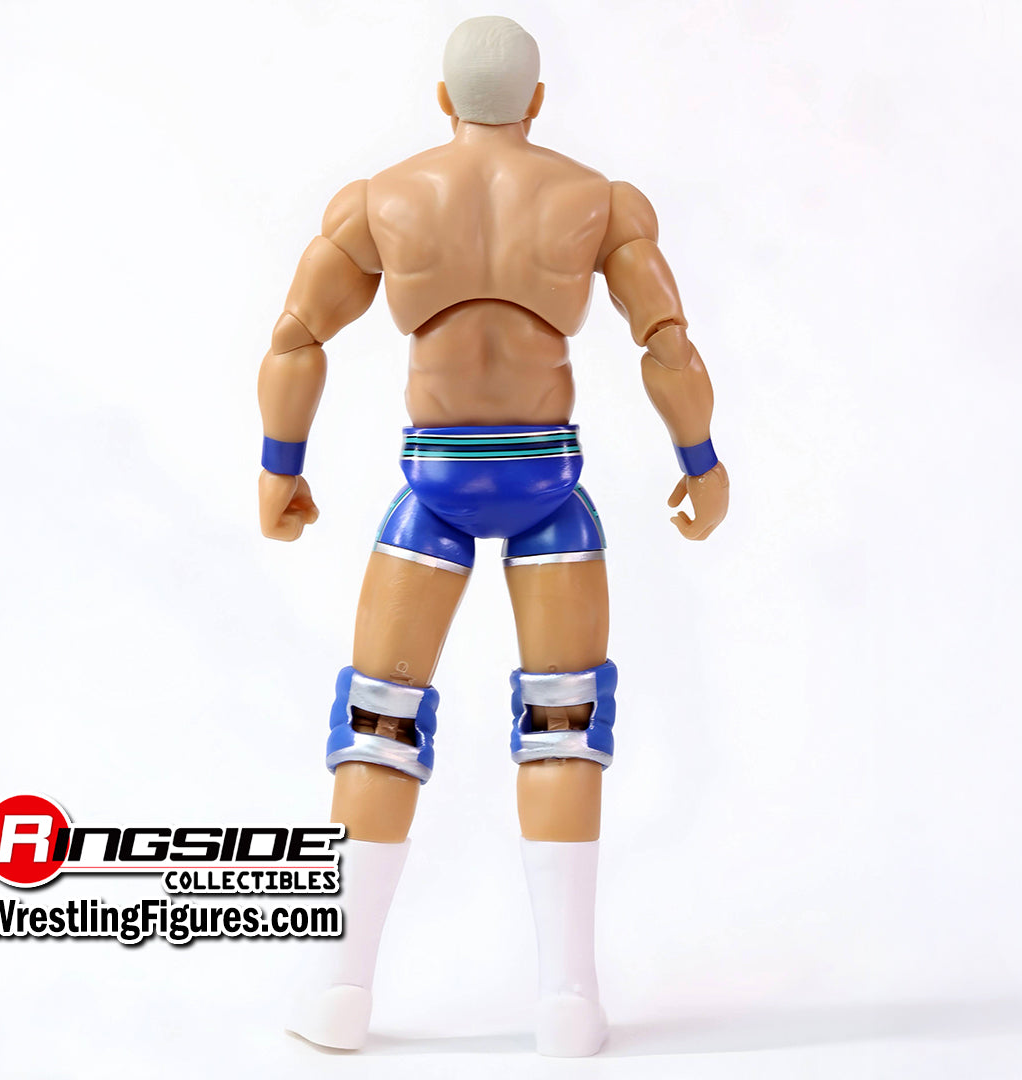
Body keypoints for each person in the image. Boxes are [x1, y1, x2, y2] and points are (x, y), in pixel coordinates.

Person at [257, 15, 728, 1057]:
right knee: (564, 723)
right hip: (548, 489)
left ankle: (338, 988)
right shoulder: (597, 201)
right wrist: (702, 463)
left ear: (442, 100)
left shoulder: (382, 201)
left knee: (378, 722)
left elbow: (295, 338)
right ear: (538, 101)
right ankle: (568, 1002)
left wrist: (279, 469)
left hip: (433, 489)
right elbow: (668, 345)